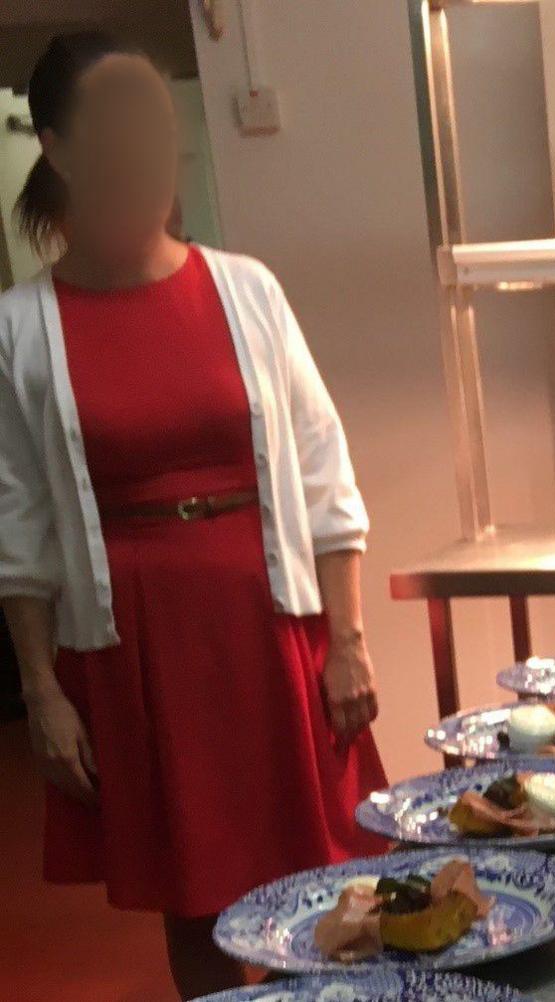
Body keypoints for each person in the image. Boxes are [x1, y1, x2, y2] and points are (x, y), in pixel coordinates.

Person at [0, 33, 388, 998]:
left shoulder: (246, 289)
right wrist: (42, 691)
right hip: (138, 647)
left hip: (268, 624)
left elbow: (322, 469)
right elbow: (19, 526)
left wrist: (348, 638)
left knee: (327, 871)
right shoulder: (20, 328)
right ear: (58, 146)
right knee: (197, 897)